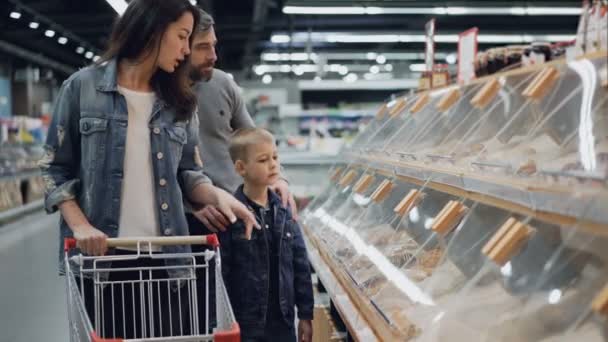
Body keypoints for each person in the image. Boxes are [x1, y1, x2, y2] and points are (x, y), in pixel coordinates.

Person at [39, 0, 256, 338]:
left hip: (169, 264)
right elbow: (54, 167)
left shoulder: (180, 101)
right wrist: (81, 228)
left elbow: (187, 173)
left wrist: (218, 196)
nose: (186, 50)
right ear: (153, 31)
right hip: (104, 263)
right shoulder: (82, 88)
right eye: (182, 36)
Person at [187, 9, 297, 236]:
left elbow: (256, 140)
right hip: (193, 219)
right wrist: (189, 205)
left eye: (213, 45)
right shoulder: (157, 95)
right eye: (202, 47)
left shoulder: (222, 84)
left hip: (238, 208)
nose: (213, 56)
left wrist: (280, 179)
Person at [219, 128, 314, 342]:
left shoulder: (284, 210)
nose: (273, 164)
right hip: (245, 324)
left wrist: (306, 315)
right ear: (241, 168)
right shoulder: (232, 216)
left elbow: (300, 264)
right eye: (263, 160)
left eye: (275, 157)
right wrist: (222, 322)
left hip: (284, 322)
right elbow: (222, 272)